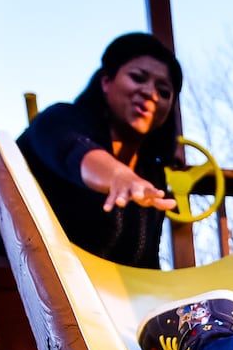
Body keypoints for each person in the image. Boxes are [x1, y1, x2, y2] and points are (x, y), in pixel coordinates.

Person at [18, 33, 183, 268]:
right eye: (137, 78)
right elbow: (73, 150)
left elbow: (146, 263)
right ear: (106, 81)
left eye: (164, 91)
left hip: (121, 299)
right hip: (40, 283)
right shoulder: (58, 120)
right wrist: (119, 176)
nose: (150, 93)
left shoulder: (153, 173)